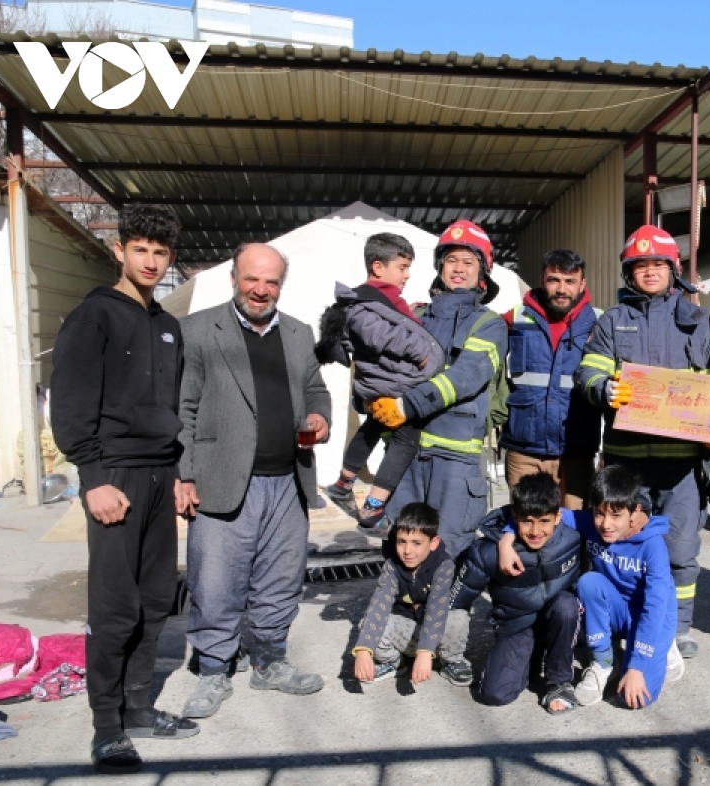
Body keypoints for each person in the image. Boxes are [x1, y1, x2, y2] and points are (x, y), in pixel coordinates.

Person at [50, 204, 198, 774]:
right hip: (115, 474)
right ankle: (106, 726)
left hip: (162, 476)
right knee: (114, 608)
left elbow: (173, 409)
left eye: (161, 253)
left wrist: (181, 473)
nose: (152, 261)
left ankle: (138, 707)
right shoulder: (94, 316)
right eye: (141, 250)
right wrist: (93, 478)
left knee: (156, 599)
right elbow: (70, 402)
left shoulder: (166, 325)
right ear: (119, 250)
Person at [177, 242, 333, 720]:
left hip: (288, 480)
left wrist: (318, 416)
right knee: (216, 581)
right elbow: (180, 408)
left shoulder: (298, 332)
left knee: (280, 579)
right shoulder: (199, 329)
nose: (261, 290)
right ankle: (212, 671)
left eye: (272, 282)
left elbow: (315, 389)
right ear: (234, 279)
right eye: (252, 279)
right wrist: (183, 475)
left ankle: (269, 661)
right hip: (221, 479)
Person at [574, 224, 710, 659]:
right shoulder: (613, 321)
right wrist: (603, 388)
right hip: (627, 462)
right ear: (629, 273)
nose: (650, 271)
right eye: (640, 266)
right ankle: (624, 616)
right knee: (617, 544)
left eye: (658, 263)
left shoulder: (699, 321)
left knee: (680, 549)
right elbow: (588, 372)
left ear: (673, 270)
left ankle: (676, 629)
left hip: (682, 463)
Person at [369, 219, 508, 560]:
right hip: (405, 455)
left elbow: (464, 378)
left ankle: (442, 614)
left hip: (455, 460)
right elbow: (382, 367)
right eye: (451, 260)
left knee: (448, 551)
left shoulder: (488, 324)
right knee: (402, 547)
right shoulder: (412, 314)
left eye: (468, 262)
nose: (458, 269)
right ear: (439, 266)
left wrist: (406, 406)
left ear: (483, 271)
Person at [317, 233, 444, 532]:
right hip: (392, 384)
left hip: (386, 382)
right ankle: (373, 507)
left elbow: (393, 323)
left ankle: (343, 483)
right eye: (402, 267)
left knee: (372, 426)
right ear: (377, 267)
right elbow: (377, 334)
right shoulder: (363, 303)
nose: (407, 275)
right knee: (406, 440)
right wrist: (417, 349)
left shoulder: (380, 300)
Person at [550, 465, 684, 709]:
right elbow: (546, 513)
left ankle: (664, 645)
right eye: (599, 513)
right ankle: (603, 662)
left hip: (652, 616)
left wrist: (637, 667)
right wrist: (507, 535)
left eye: (616, 515)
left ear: (635, 512)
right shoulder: (593, 523)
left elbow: (654, 608)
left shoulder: (653, 546)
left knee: (636, 699)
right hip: (617, 610)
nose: (606, 524)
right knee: (589, 582)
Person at [451, 472, 583, 711]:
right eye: (527, 521)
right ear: (515, 517)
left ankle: (560, 682)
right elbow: (457, 599)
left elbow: (610, 521)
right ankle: (531, 659)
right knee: (494, 694)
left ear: (557, 517)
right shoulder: (488, 552)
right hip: (517, 626)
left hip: (558, 620)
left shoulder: (574, 536)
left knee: (567, 604)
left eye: (544, 521)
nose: (535, 531)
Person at [499, 250, 601, 509]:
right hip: (524, 450)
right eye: (554, 280)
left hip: (576, 451)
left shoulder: (599, 324)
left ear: (582, 284)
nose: (561, 289)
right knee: (527, 526)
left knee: (574, 530)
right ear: (542, 281)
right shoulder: (516, 318)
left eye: (570, 281)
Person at [351, 503, 472, 687]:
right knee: (368, 625)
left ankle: (451, 660)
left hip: (436, 634)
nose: (407, 551)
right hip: (408, 633)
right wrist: (363, 650)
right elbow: (379, 604)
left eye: (416, 543)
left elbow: (436, 610)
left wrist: (425, 651)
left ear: (433, 543)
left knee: (459, 618)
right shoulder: (392, 566)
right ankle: (393, 662)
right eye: (402, 542)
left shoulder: (443, 565)